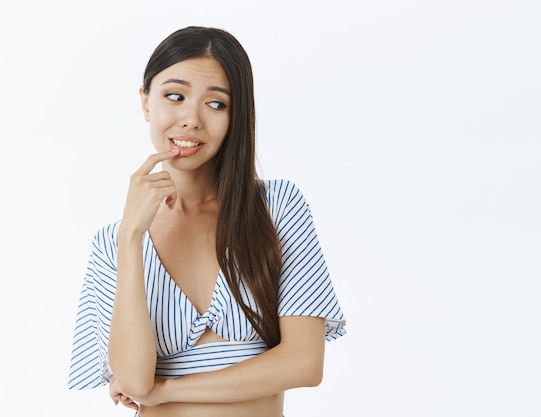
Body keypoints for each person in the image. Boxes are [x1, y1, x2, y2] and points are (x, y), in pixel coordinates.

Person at [67, 26, 346, 417]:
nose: (190, 120)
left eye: (216, 104)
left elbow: (303, 363)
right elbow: (132, 382)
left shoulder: (276, 207)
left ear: (237, 114)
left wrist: (167, 391)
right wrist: (131, 236)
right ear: (146, 102)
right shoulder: (113, 241)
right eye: (174, 96)